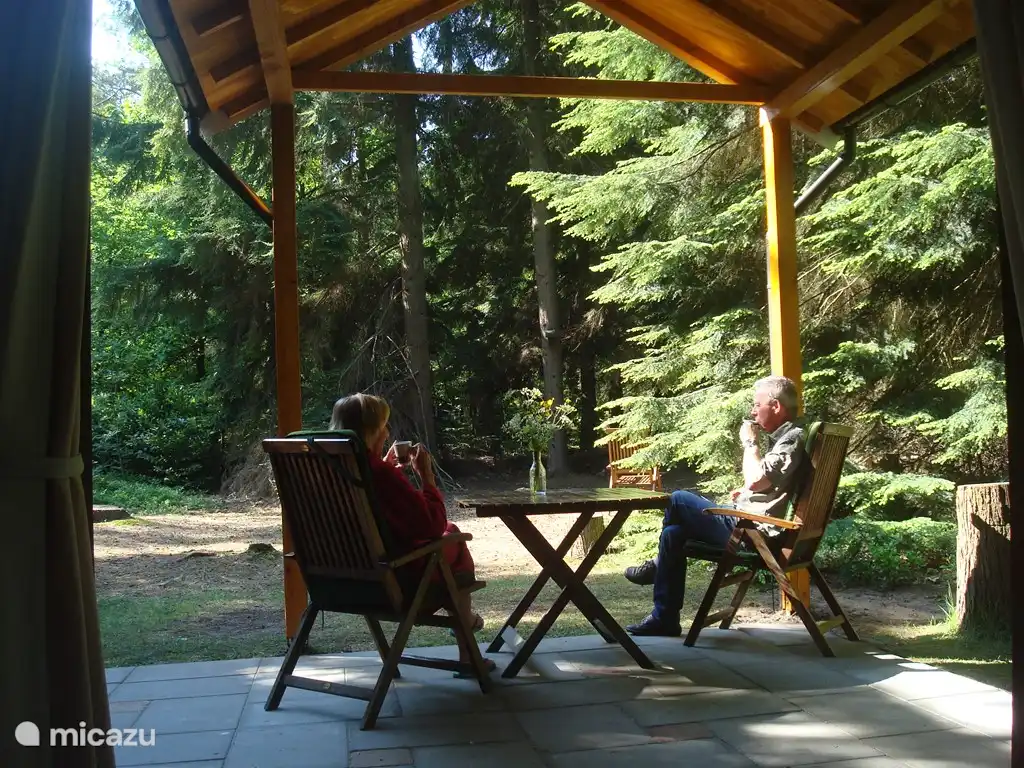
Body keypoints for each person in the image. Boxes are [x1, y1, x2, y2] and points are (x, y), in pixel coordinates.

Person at [623, 376, 808, 637]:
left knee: (677, 498)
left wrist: (749, 442)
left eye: (757, 405)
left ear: (776, 406)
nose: (753, 411)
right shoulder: (787, 438)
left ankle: (656, 566)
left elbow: (756, 479)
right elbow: (763, 484)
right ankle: (664, 618)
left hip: (754, 534)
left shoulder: (792, 437)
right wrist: (746, 492)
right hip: (752, 527)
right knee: (672, 534)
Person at [330, 393, 490, 671]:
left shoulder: (331, 471)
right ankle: (467, 640)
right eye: (383, 426)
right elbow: (432, 524)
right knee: (452, 537)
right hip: (392, 582)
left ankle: (467, 627)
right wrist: (427, 478)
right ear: (371, 432)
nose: (388, 432)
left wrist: (385, 466)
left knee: (448, 545)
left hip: (337, 582)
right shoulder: (378, 474)